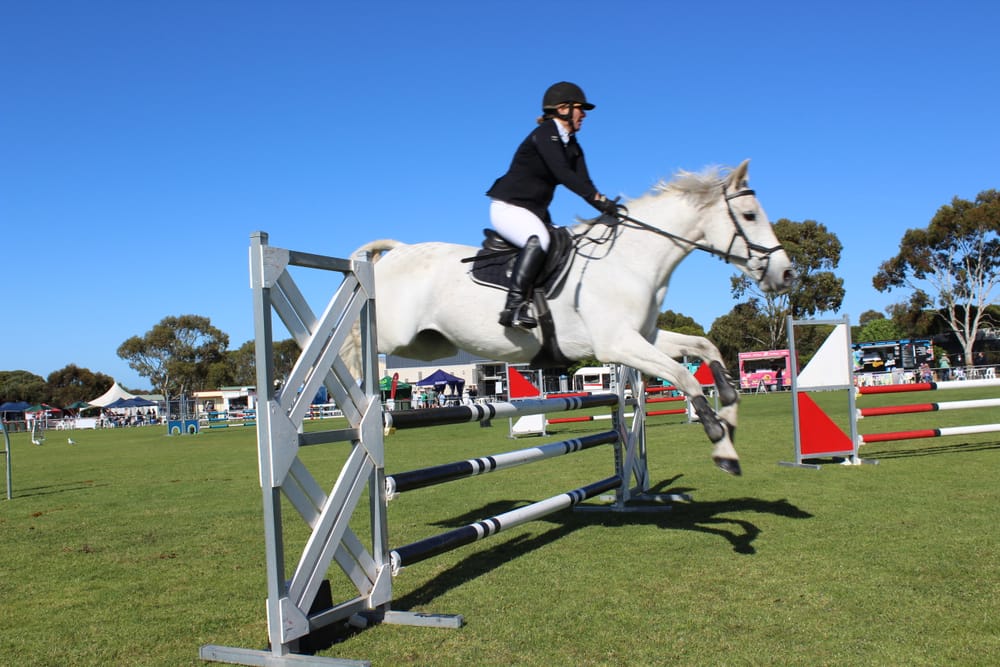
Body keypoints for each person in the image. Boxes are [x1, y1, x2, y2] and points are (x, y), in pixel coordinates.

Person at [486, 81, 620, 329]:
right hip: (509, 207)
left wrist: (607, 207)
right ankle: (513, 308)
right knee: (540, 239)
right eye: (581, 108)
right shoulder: (545, 134)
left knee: (566, 240)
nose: (584, 114)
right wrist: (599, 201)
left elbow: (584, 181)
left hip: (534, 211)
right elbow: (563, 174)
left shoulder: (572, 145)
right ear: (562, 109)